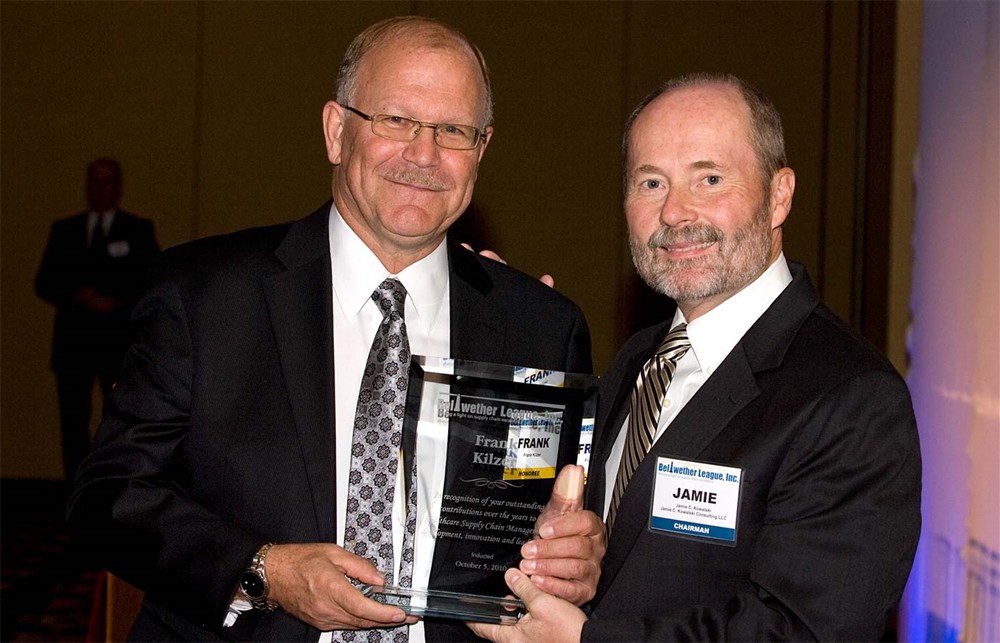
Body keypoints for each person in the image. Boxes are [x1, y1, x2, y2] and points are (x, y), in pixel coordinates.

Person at [67, 16, 602, 643]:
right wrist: (264, 570)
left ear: (481, 149)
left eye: (452, 130)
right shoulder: (204, 297)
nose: (423, 154)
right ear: (336, 130)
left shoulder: (541, 326)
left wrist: (572, 559)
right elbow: (106, 501)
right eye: (396, 120)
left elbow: (548, 529)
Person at [470, 73, 921, 642]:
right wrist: (509, 350)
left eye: (709, 178)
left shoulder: (851, 399)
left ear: (779, 195)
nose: (676, 213)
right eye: (651, 182)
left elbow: (801, 631)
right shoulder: (640, 359)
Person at [35, 157, 159, 482]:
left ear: (118, 187)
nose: (99, 188)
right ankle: (75, 492)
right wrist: (79, 296)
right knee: (73, 423)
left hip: (117, 343)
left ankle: (116, 492)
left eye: (106, 181)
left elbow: (152, 281)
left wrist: (116, 300)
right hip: (74, 343)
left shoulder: (137, 230)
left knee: (121, 421)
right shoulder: (66, 230)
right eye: (93, 181)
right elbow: (45, 281)